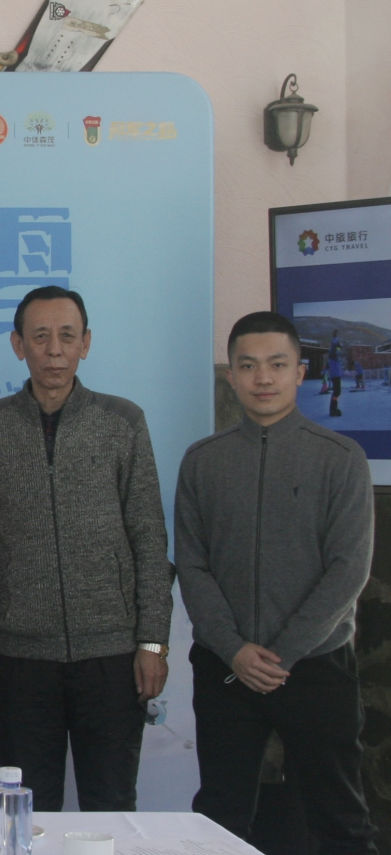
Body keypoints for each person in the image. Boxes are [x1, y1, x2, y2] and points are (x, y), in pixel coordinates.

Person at [0, 285, 173, 811]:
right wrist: (26, 579)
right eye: (40, 337)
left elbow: (149, 535)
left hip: (112, 655)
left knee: (111, 803)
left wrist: (152, 643)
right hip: (21, 656)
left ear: (86, 343)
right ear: (18, 345)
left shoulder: (122, 422)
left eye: (67, 336)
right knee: (26, 809)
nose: (54, 350)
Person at [175, 311, 377, 853]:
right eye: (248, 366)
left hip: (315, 666)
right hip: (226, 666)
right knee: (219, 820)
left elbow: (348, 569)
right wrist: (235, 649)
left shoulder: (341, 460)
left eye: (277, 364)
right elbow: (191, 565)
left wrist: (281, 654)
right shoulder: (202, 462)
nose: (262, 378)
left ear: (301, 372)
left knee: (341, 819)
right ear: (232, 375)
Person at [329, 344, 344, 416]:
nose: (339, 350)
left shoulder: (335, 357)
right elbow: (334, 350)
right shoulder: (334, 355)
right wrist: (335, 343)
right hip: (335, 375)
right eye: (338, 348)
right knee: (337, 392)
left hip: (336, 375)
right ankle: (333, 409)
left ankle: (333, 408)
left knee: (336, 392)